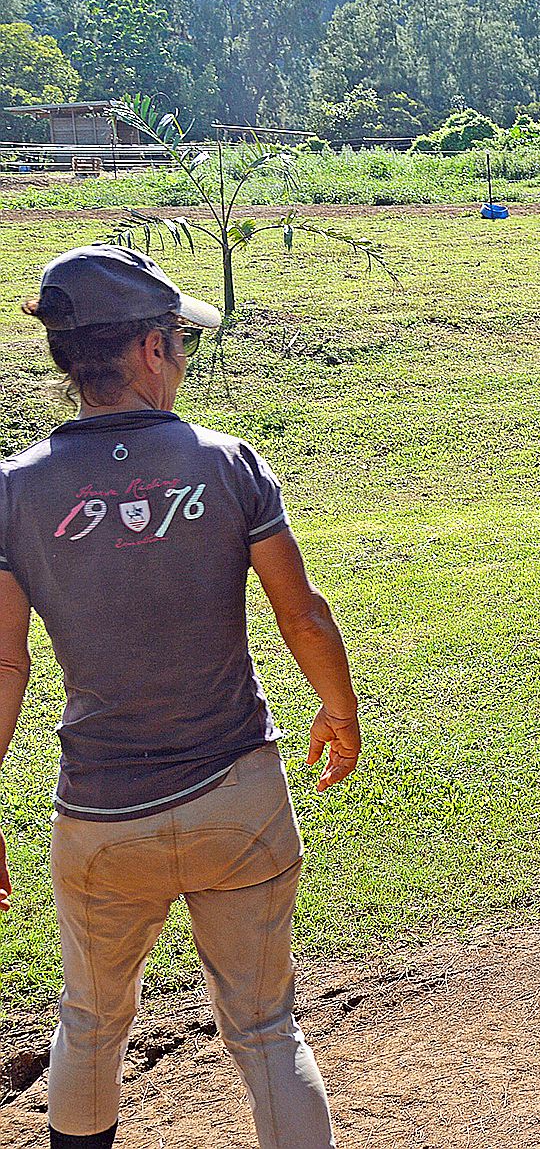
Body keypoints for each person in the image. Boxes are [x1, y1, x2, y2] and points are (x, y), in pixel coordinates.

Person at [0, 245, 361, 1149]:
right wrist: (340, 711)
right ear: (152, 350)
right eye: (180, 344)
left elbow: (5, 669)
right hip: (236, 798)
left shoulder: (12, 492)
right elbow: (303, 614)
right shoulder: (229, 462)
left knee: (90, 1023)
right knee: (267, 1031)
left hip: (100, 817)